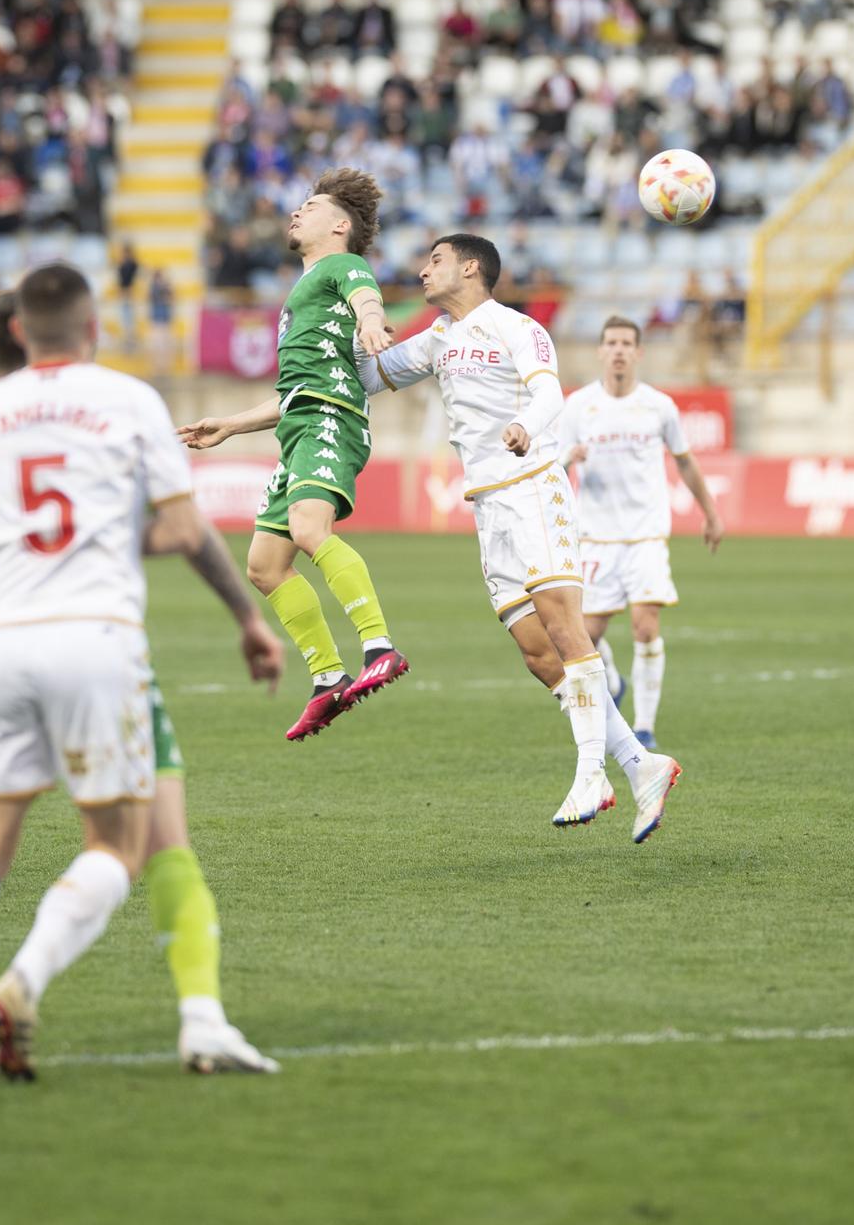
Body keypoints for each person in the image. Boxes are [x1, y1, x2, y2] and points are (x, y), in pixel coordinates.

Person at [0, 292, 285, 1077]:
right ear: (93, 330)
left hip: (1, 646)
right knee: (126, 844)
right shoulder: (129, 400)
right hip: (100, 641)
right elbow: (188, 529)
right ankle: (35, 984)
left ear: (18, 334)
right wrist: (246, 618)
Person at [365, 236, 683, 840]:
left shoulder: (515, 327)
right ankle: (643, 765)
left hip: (534, 486)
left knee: (568, 629)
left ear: (470, 266)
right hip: (488, 506)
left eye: (434, 260)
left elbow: (548, 393)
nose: (423, 270)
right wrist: (324, 352)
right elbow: (366, 379)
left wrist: (523, 426)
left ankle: (592, 771)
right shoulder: (438, 338)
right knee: (538, 654)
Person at [175, 169, 409, 742]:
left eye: (310, 206)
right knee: (265, 566)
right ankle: (328, 677)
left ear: (339, 225)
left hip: (331, 416)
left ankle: (379, 644)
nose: (295, 213)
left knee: (309, 529)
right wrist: (230, 425)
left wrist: (374, 324)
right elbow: (292, 391)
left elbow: (367, 297)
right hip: (302, 417)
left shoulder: (341, 265)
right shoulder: (303, 289)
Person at [557, 318, 724, 751]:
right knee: (586, 636)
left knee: (645, 627)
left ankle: (645, 727)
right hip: (595, 537)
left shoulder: (658, 406)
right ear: (600, 351)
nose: (618, 350)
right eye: (610, 342)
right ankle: (612, 680)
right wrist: (568, 457)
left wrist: (710, 513)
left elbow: (685, 461)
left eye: (626, 343)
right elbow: (551, 466)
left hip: (646, 535)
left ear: (638, 352)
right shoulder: (578, 406)